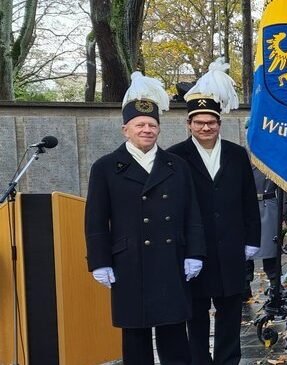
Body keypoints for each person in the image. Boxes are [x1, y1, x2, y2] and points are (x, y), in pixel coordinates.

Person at [86, 72, 204, 365]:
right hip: (129, 261)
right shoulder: (106, 167)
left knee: (174, 332)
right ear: (125, 129)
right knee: (135, 335)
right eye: (140, 125)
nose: (147, 130)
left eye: (152, 125)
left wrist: (195, 253)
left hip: (171, 258)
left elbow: (192, 212)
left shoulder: (176, 165)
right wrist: (99, 261)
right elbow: (96, 220)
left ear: (159, 129)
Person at [167, 59, 260, 365]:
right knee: (195, 312)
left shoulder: (237, 154)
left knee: (230, 309)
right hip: (194, 250)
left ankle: (227, 360)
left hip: (231, 246)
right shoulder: (174, 157)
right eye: (199, 122)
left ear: (219, 123)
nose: (205, 127)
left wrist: (252, 239)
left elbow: (249, 199)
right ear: (189, 124)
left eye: (211, 122)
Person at [245, 166, 285, 307]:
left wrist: (282, 209)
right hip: (247, 205)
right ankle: (244, 284)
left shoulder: (270, 159)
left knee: (271, 247)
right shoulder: (241, 158)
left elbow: (283, 186)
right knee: (246, 246)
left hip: (269, 204)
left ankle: (275, 283)